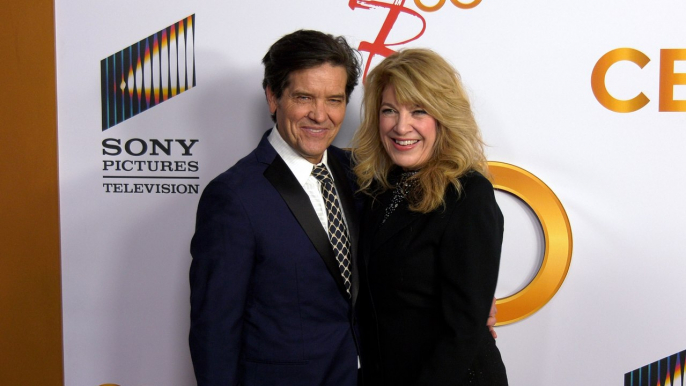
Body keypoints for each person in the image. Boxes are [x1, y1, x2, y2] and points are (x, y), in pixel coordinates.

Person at [189, 30, 363, 386]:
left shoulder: (360, 174)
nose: (320, 115)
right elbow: (215, 332)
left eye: (334, 99)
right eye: (304, 97)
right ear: (273, 97)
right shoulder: (233, 197)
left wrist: (473, 294)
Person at [352, 48, 508, 385]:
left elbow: (463, 329)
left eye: (418, 111)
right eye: (389, 110)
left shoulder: (468, 194)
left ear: (443, 117)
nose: (400, 126)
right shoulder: (379, 188)